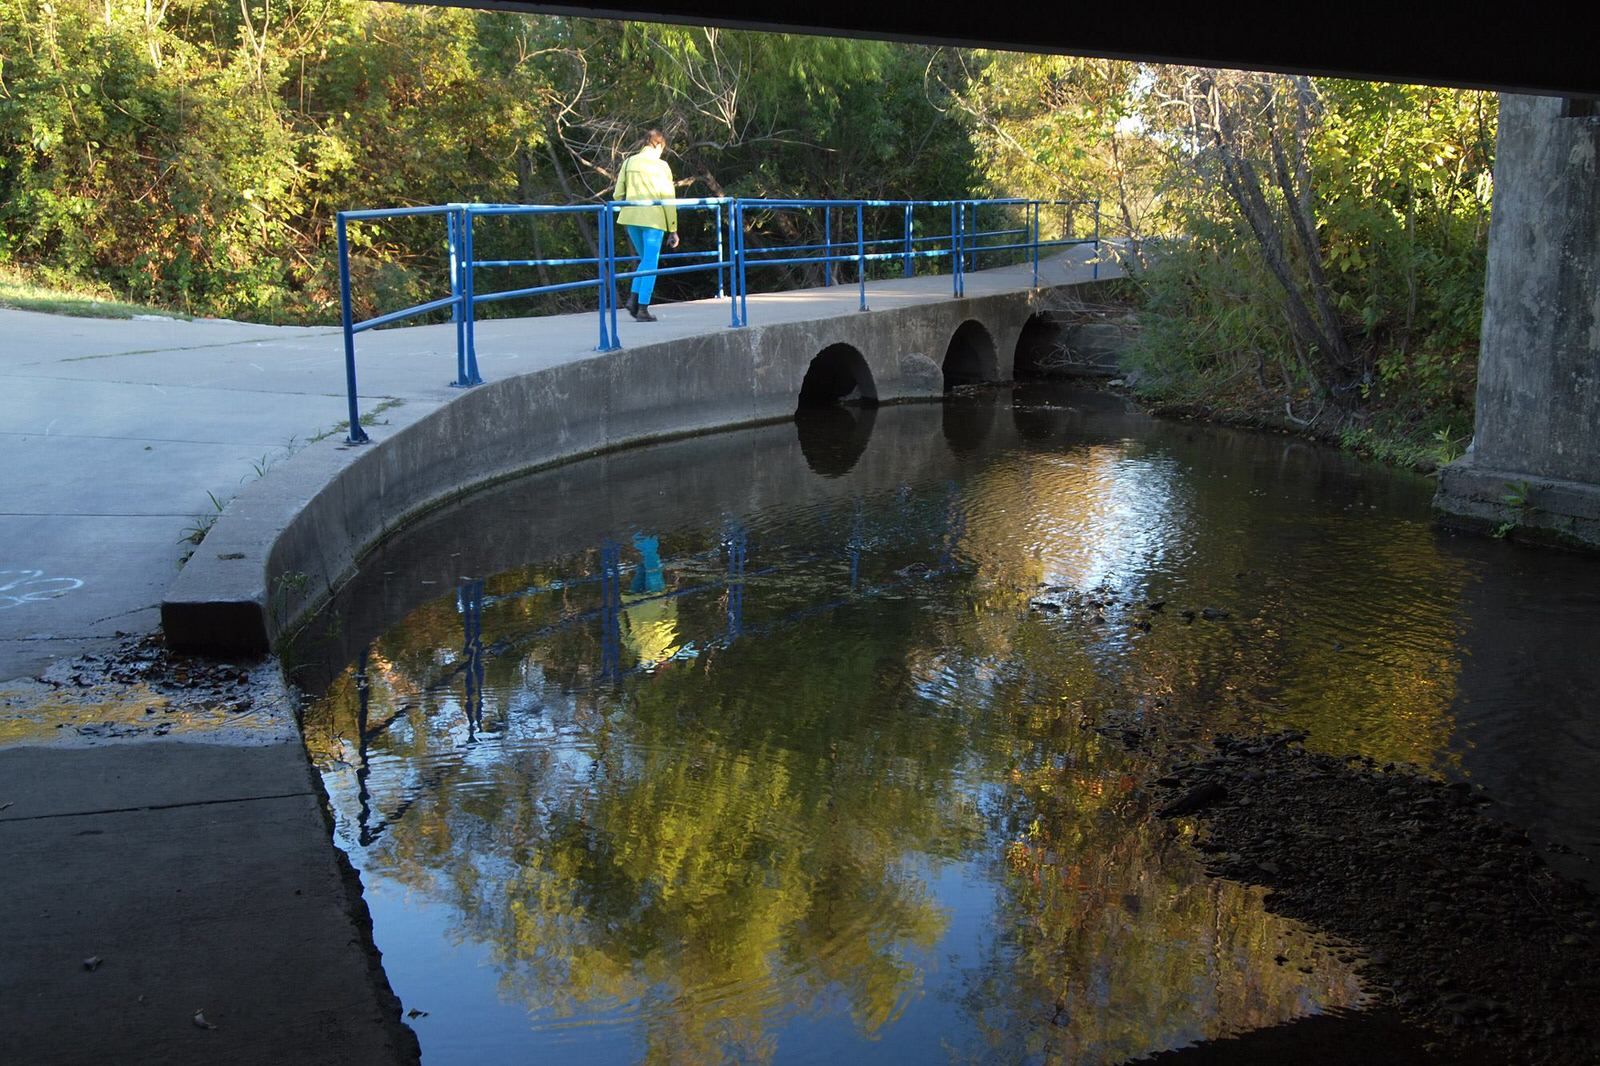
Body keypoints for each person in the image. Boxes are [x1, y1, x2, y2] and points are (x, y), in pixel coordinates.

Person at [612, 129, 680, 322]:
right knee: (651, 262)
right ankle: (642, 307)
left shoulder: (629, 162)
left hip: (631, 216)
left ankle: (633, 299)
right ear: (658, 145)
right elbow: (668, 198)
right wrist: (672, 228)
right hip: (653, 219)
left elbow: (617, 194)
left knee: (645, 260)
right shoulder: (661, 166)